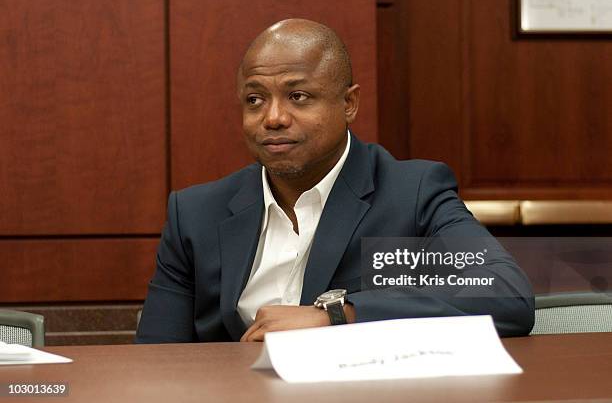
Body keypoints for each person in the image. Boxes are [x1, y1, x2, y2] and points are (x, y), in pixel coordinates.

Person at [136, 18, 534, 343]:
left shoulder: (411, 194)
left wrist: (339, 315)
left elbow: (506, 295)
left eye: (299, 97)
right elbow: (156, 358)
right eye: (255, 99)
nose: (272, 117)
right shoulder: (195, 214)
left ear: (349, 104)